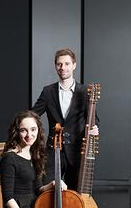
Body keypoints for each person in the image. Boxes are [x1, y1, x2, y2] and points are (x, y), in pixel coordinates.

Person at [31, 48, 99, 189]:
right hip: (53, 150)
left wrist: (94, 128)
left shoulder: (85, 92)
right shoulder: (48, 91)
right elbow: (32, 115)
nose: (63, 68)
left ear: (74, 65)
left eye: (67, 64)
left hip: (77, 152)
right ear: (56, 66)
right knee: (47, 191)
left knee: (75, 194)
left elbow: (94, 119)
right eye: (59, 64)